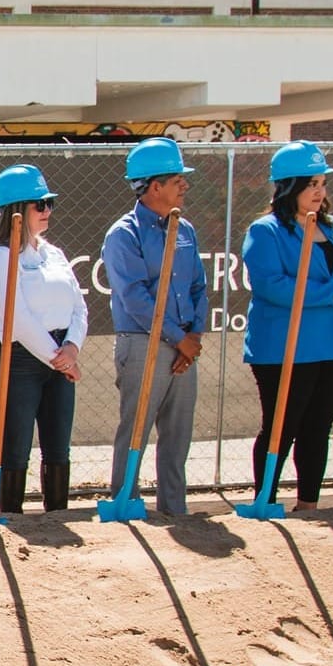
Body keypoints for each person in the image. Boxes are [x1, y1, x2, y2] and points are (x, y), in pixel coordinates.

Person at [240, 141, 333, 511]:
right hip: (285, 346)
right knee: (282, 424)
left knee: (319, 426)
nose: (319, 191)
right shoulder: (266, 231)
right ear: (287, 186)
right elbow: (272, 284)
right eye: (310, 183)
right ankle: (264, 499)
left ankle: (309, 503)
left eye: (321, 182)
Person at [102, 137, 209, 516]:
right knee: (136, 430)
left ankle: (174, 511)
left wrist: (193, 335)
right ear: (154, 186)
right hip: (143, 342)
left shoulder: (186, 230)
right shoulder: (123, 235)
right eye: (177, 179)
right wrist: (180, 340)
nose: (185, 185)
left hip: (183, 344)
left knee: (178, 435)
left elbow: (198, 286)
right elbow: (135, 298)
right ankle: (124, 505)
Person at [0, 164, 85, 513]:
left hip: (58, 354)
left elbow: (78, 306)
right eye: (39, 204)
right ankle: (11, 514)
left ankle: (56, 514)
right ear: (17, 211)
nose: (47, 211)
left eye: (49, 202)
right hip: (18, 355)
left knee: (58, 444)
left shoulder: (53, 253)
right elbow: (18, 321)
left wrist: (71, 347)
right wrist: (58, 357)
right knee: (16, 442)